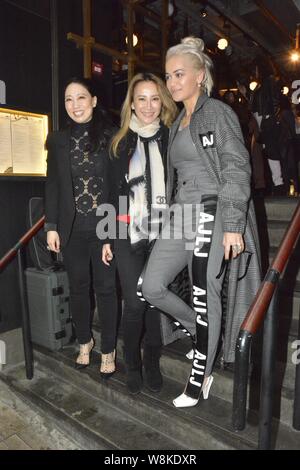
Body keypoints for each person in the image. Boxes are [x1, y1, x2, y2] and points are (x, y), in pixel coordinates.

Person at [142, 37, 261, 408]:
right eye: (168, 75)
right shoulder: (178, 121)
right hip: (182, 213)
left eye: (179, 74)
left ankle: (201, 373)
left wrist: (233, 225)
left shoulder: (218, 112)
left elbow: (237, 167)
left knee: (202, 290)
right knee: (151, 285)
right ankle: (201, 330)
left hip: (214, 210)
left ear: (200, 75)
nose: (173, 82)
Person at [102, 73, 178, 394]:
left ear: (163, 101)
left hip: (162, 234)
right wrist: (106, 235)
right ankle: (132, 362)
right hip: (125, 233)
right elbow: (109, 192)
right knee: (134, 303)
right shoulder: (119, 141)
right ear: (131, 103)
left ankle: (151, 361)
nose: (148, 106)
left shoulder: (171, 138)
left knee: (154, 301)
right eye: (141, 99)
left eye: (154, 98)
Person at [45, 77, 118, 376]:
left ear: (94, 101)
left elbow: (117, 189)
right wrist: (51, 225)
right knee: (78, 288)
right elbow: (52, 185)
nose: (74, 105)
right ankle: (85, 341)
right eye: (68, 99)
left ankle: (109, 348)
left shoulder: (112, 136)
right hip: (71, 229)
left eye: (81, 98)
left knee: (107, 289)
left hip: (103, 228)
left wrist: (112, 234)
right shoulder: (59, 140)